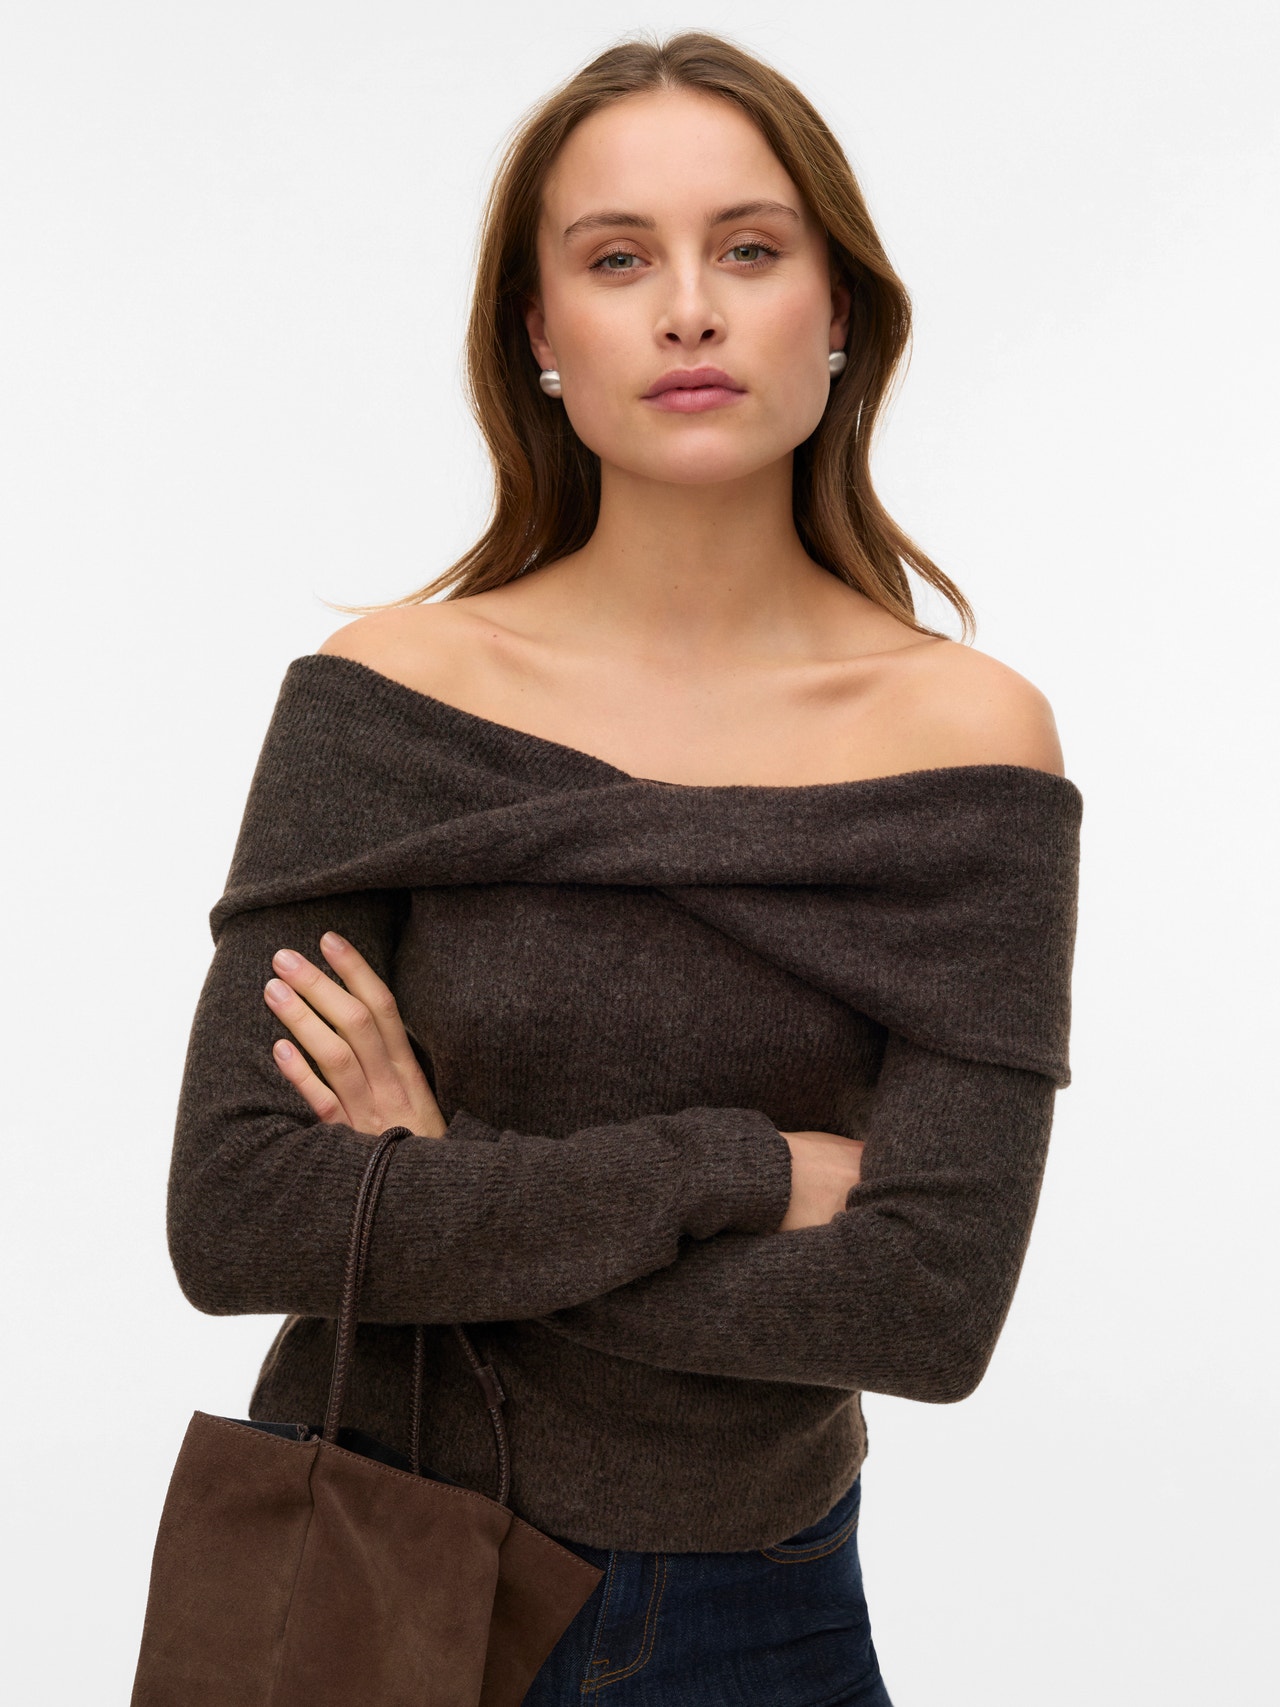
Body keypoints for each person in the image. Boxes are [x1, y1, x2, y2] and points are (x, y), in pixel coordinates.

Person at [167, 31, 1081, 1706]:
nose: (689, 311)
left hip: (756, 1620)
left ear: (839, 311)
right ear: (539, 333)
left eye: (749, 249)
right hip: (364, 1569)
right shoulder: (390, 701)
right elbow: (237, 1218)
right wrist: (733, 1172)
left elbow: (923, 1308)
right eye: (616, 259)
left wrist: (439, 1186)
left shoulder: (969, 746)